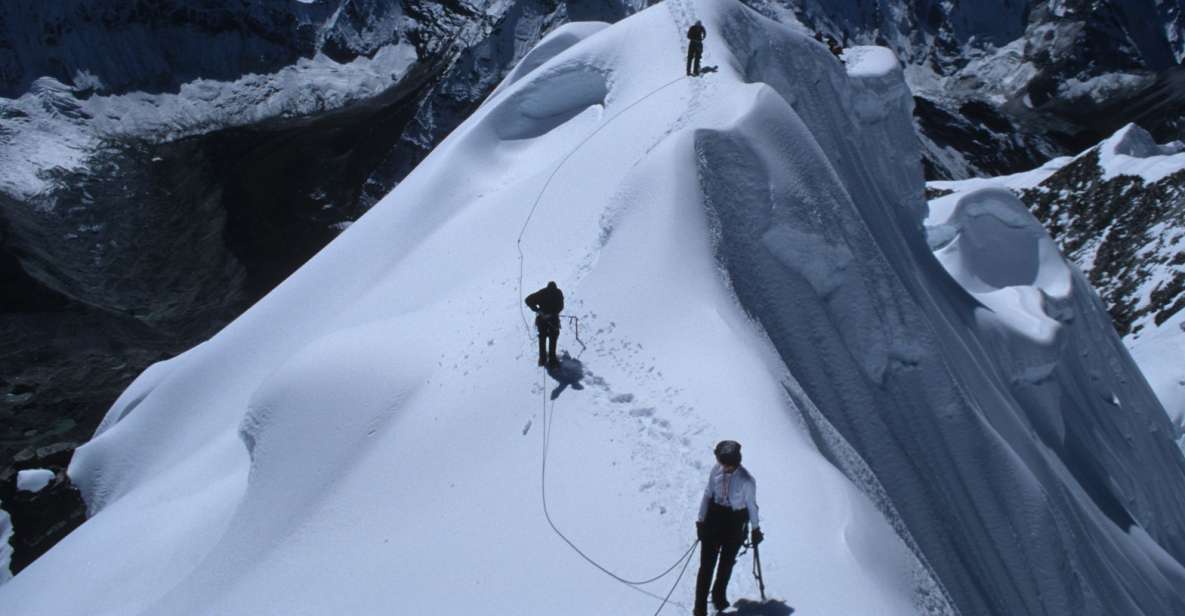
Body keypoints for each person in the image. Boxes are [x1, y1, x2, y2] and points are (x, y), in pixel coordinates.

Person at [694, 440, 762, 616]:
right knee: (706, 566)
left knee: (726, 564)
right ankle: (699, 607)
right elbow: (708, 494)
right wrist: (700, 521)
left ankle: (718, 596)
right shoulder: (716, 469)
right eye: (721, 461)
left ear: (735, 462)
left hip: (735, 523)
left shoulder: (747, 481)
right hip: (714, 518)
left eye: (726, 463)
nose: (722, 466)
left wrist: (755, 529)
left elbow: (751, 506)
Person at [525, 281, 564, 367]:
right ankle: (552, 360)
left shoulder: (542, 292)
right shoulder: (558, 293)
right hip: (553, 319)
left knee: (542, 337)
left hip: (542, 319)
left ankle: (542, 359)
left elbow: (528, 300)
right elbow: (561, 306)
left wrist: (538, 310)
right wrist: (552, 313)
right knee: (553, 338)